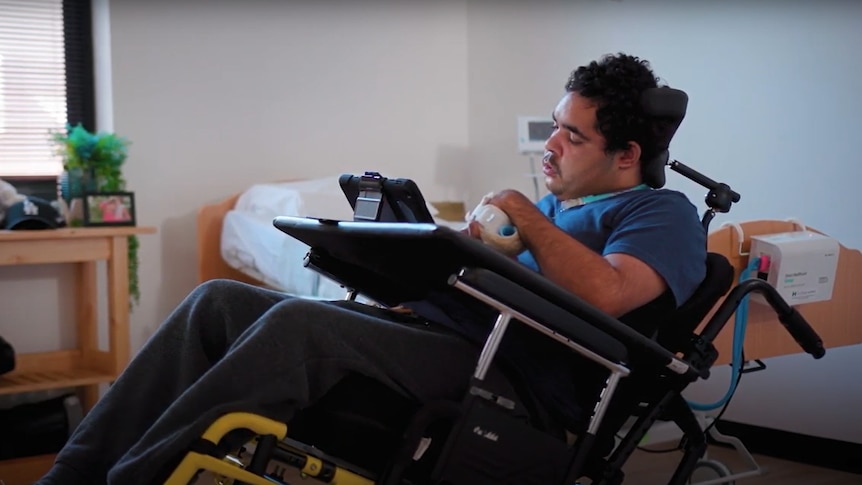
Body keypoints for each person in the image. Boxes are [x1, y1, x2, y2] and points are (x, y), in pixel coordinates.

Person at [36, 52, 706, 485]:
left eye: (573, 135)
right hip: (449, 334)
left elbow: (610, 293)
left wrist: (523, 214)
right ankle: (71, 475)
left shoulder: (661, 212)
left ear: (626, 155)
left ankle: (134, 478)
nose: (552, 143)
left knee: (302, 323)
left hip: (517, 375)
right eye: (556, 124)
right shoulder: (559, 208)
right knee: (216, 300)